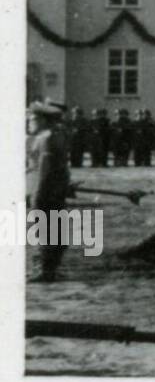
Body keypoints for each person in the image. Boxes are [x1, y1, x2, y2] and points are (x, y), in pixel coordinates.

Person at [26, 101, 70, 283]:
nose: (29, 122)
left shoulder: (45, 138)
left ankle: (44, 270)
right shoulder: (56, 135)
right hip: (56, 189)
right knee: (56, 229)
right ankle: (51, 269)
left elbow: (45, 169)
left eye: (33, 119)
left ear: (43, 120)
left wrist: (38, 193)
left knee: (42, 229)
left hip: (44, 190)